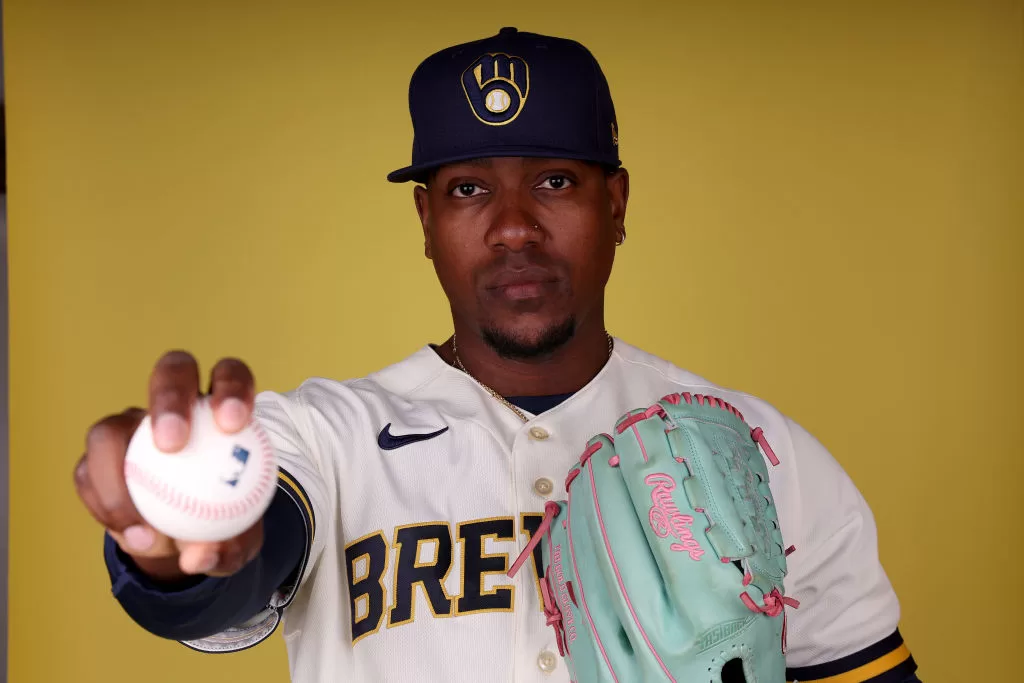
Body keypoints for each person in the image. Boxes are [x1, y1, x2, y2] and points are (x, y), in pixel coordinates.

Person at [74, 27, 920, 683]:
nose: (514, 227)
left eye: (554, 180)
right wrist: (181, 538)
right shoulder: (322, 440)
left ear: (616, 203)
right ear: (427, 223)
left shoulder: (759, 453)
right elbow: (241, 557)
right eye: (469, 189)